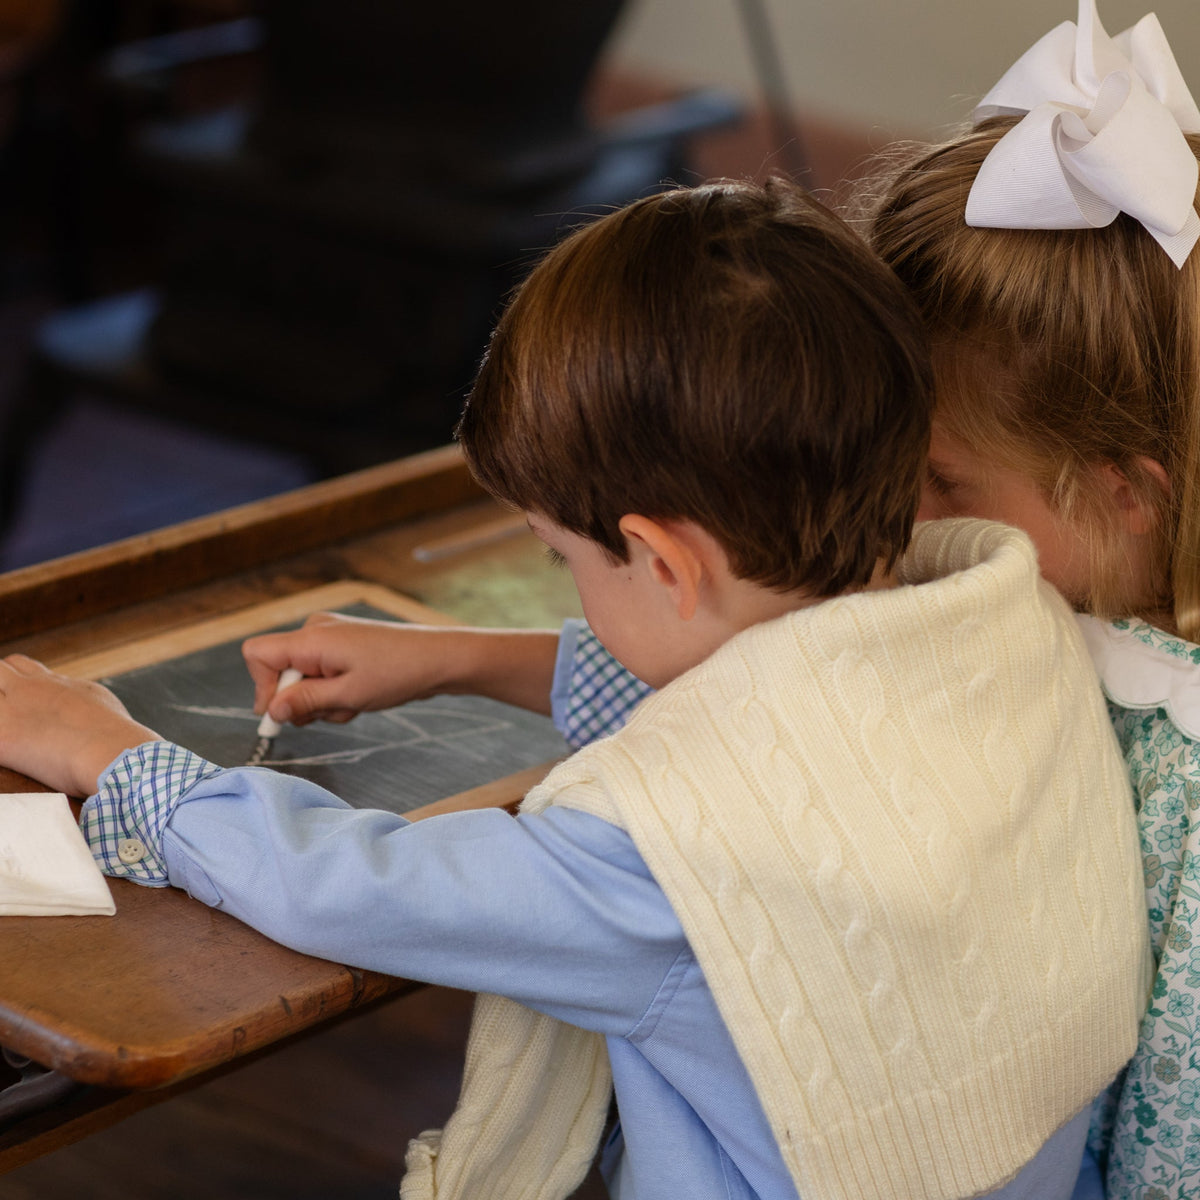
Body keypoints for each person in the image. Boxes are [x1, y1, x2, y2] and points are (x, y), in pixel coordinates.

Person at [0, 179, 1149, 1200]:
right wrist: (460, 654)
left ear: (662, 561)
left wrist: (105, 749)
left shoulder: (665, 863)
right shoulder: (1007, 632)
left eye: (565, 556)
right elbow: (764, 710)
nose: (568, 582)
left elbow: (347, 889)